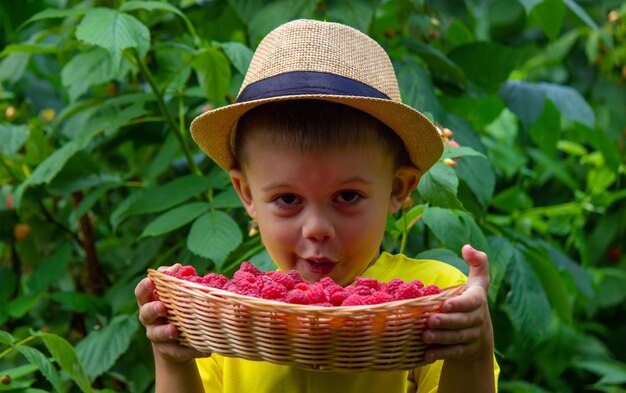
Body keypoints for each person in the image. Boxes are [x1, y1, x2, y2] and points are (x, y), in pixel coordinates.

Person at [135, 19, 499, 393]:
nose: (316, 228)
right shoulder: (229, 314)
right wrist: (171, 356)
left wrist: (472, 348)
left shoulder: (432, 301)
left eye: (347, 196)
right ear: (246, 194)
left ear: (397, 189)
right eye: (288, 199)